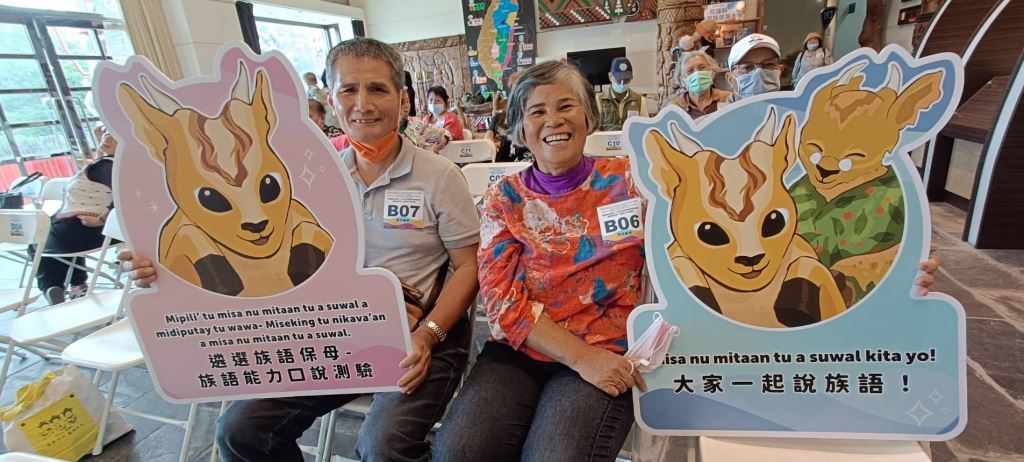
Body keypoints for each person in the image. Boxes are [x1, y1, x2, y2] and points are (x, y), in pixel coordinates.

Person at [123, 38, 481, 462]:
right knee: (240, 431)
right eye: (348, 90)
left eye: (377, 89)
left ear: (402, 100)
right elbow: (240, 243)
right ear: (330, 100)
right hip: (334, 328)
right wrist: (162, 269)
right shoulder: (310, 174)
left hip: (422, 330)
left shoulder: (440, 177)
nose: (363, 104)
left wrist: (428, 335)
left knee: (383, 447)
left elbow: (468, 268)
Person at [433, 60, 645, 461]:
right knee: (458, 452)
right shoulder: (504, 198)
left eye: (566, 106)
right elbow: (501, 304)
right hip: (521, 350)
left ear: (589, 115)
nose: (554, 120)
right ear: (519, 127)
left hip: (605, 347)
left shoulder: (631, 182)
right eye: (537, 111)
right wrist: (580, 358)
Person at [32, 127, 117, 305]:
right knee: (52, 236)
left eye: (114, 134)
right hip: (84, 228)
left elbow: (126, 195)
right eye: (106, 132)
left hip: (95, 228)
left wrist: (103, 218)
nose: (107, 137)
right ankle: (75, 285)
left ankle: (53, 287)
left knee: (38, 240)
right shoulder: (106, 163)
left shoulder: (107, 166)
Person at [670, 50, 737, 119]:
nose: (697, 73)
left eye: (702, 68)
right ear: (682, 81)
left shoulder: (728, 99)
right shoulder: (674, 109)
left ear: (712, 72)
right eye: (690, 71)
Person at [596, 57, 649, 131]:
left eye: (626, 79)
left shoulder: (639, 100)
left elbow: (645, 128)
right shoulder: (598, 100)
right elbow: (595, 130)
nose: (622, 83)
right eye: (618, 79)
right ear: (610, 76)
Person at [728, 33, 785, 99]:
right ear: (730, 79)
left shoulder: (792, 105)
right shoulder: (722, 106)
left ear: (780, 71)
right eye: (747, 67)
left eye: (768, 64)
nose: (759, 73)